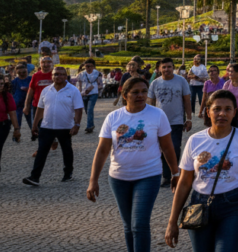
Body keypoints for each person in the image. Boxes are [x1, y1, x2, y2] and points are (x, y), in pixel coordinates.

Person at [87, 77, 179, 252]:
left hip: (148, 176)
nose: (141, 95)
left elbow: (168, 147)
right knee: (128, 226)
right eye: (135, 92)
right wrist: (93, 180)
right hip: (118, 178)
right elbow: (102, 150)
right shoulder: (113, 117)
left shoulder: (157, 115)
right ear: (125, 94)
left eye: (144, 91)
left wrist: (175, 174)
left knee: (139, 224)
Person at [166, 90, 238, 251]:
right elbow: (184, 183)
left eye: (228, 109)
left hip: (234, 205)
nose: (222, 113)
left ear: (235, 112)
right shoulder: (195, 140)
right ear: (208, 112)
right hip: (199, 204)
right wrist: (172, 221)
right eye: (217, 109)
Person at [24, 66, 83, 186]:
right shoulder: (46, 90)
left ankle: (68, 174)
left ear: (66, 76)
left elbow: (78, 109)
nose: (58, 77)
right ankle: (34, 177)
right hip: (47, 126)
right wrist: (35, 125)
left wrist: (76, 124)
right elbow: (40, 109)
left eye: (61, 74)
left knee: (67, 150)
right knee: (42, 151)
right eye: (56, 74)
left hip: (65, 127)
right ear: (52, 77)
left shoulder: (73, 91)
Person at [148, 58, 193, 187]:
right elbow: (150, 102)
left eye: (169, 67)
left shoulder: (181, 81)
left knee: (175, 147)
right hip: (159, 122)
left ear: (173, 67)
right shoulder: (155, 83)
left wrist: (189, 118)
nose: (167, 69)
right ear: (159, 69)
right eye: (164, 67)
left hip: (176, 121)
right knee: (161, 149)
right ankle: (166, 176)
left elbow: (187, 101)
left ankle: (175, 173)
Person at [0, 73, 22, 187]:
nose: (1, 86)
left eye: (3, 84)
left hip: (2, 126)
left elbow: (12, 113)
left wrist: (17, 129)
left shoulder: (6, 96)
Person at [77, 59, 103, 134]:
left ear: (94, 67)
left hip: (93, 94)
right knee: (87, 110)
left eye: (90, 66)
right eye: (86, 66)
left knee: (90, 109)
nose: (88, 68)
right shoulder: (81, 74)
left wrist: (94, 88)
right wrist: (80, 93)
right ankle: (91, 124)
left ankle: (89, 126)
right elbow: (79, 85)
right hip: (84, 94)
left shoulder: (97, 74)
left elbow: (100, 85)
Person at [11, 63, 32, 131]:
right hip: (18, 105)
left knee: (32, 121)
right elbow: (12, 91)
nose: (22, 73)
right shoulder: (14, 81)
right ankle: (17, 134)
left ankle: (35, 132)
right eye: (19, 72)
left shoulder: (31, 79)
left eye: (24, 72)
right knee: (17, 122)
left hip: (29, 104)